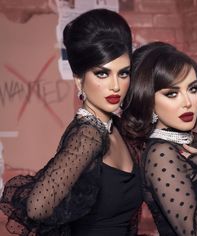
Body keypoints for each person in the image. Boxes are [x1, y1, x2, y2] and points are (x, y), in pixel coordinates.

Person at [0, 9, 143, 236]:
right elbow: (37, 208)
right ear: (79, 80)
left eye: (123, 73)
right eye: (102, 74)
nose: (115, 86)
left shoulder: (116, 127)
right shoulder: (88, 136)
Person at [122, 41, 197, 236]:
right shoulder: (161, 153)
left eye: (192, 89)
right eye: (172, 93)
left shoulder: (195, 140)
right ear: (148, 100)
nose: (187, 102)